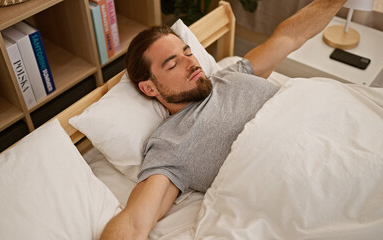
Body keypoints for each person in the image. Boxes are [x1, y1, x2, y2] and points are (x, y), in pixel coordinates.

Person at [100, 0, 348, 239]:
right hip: (309, 177)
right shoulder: (170, 144)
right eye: (173, 63)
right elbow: (134, 224)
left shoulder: (230, 75)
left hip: (333, 129)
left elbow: (289, 37)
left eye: (187, 52)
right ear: (149, 89)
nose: (191, 63)